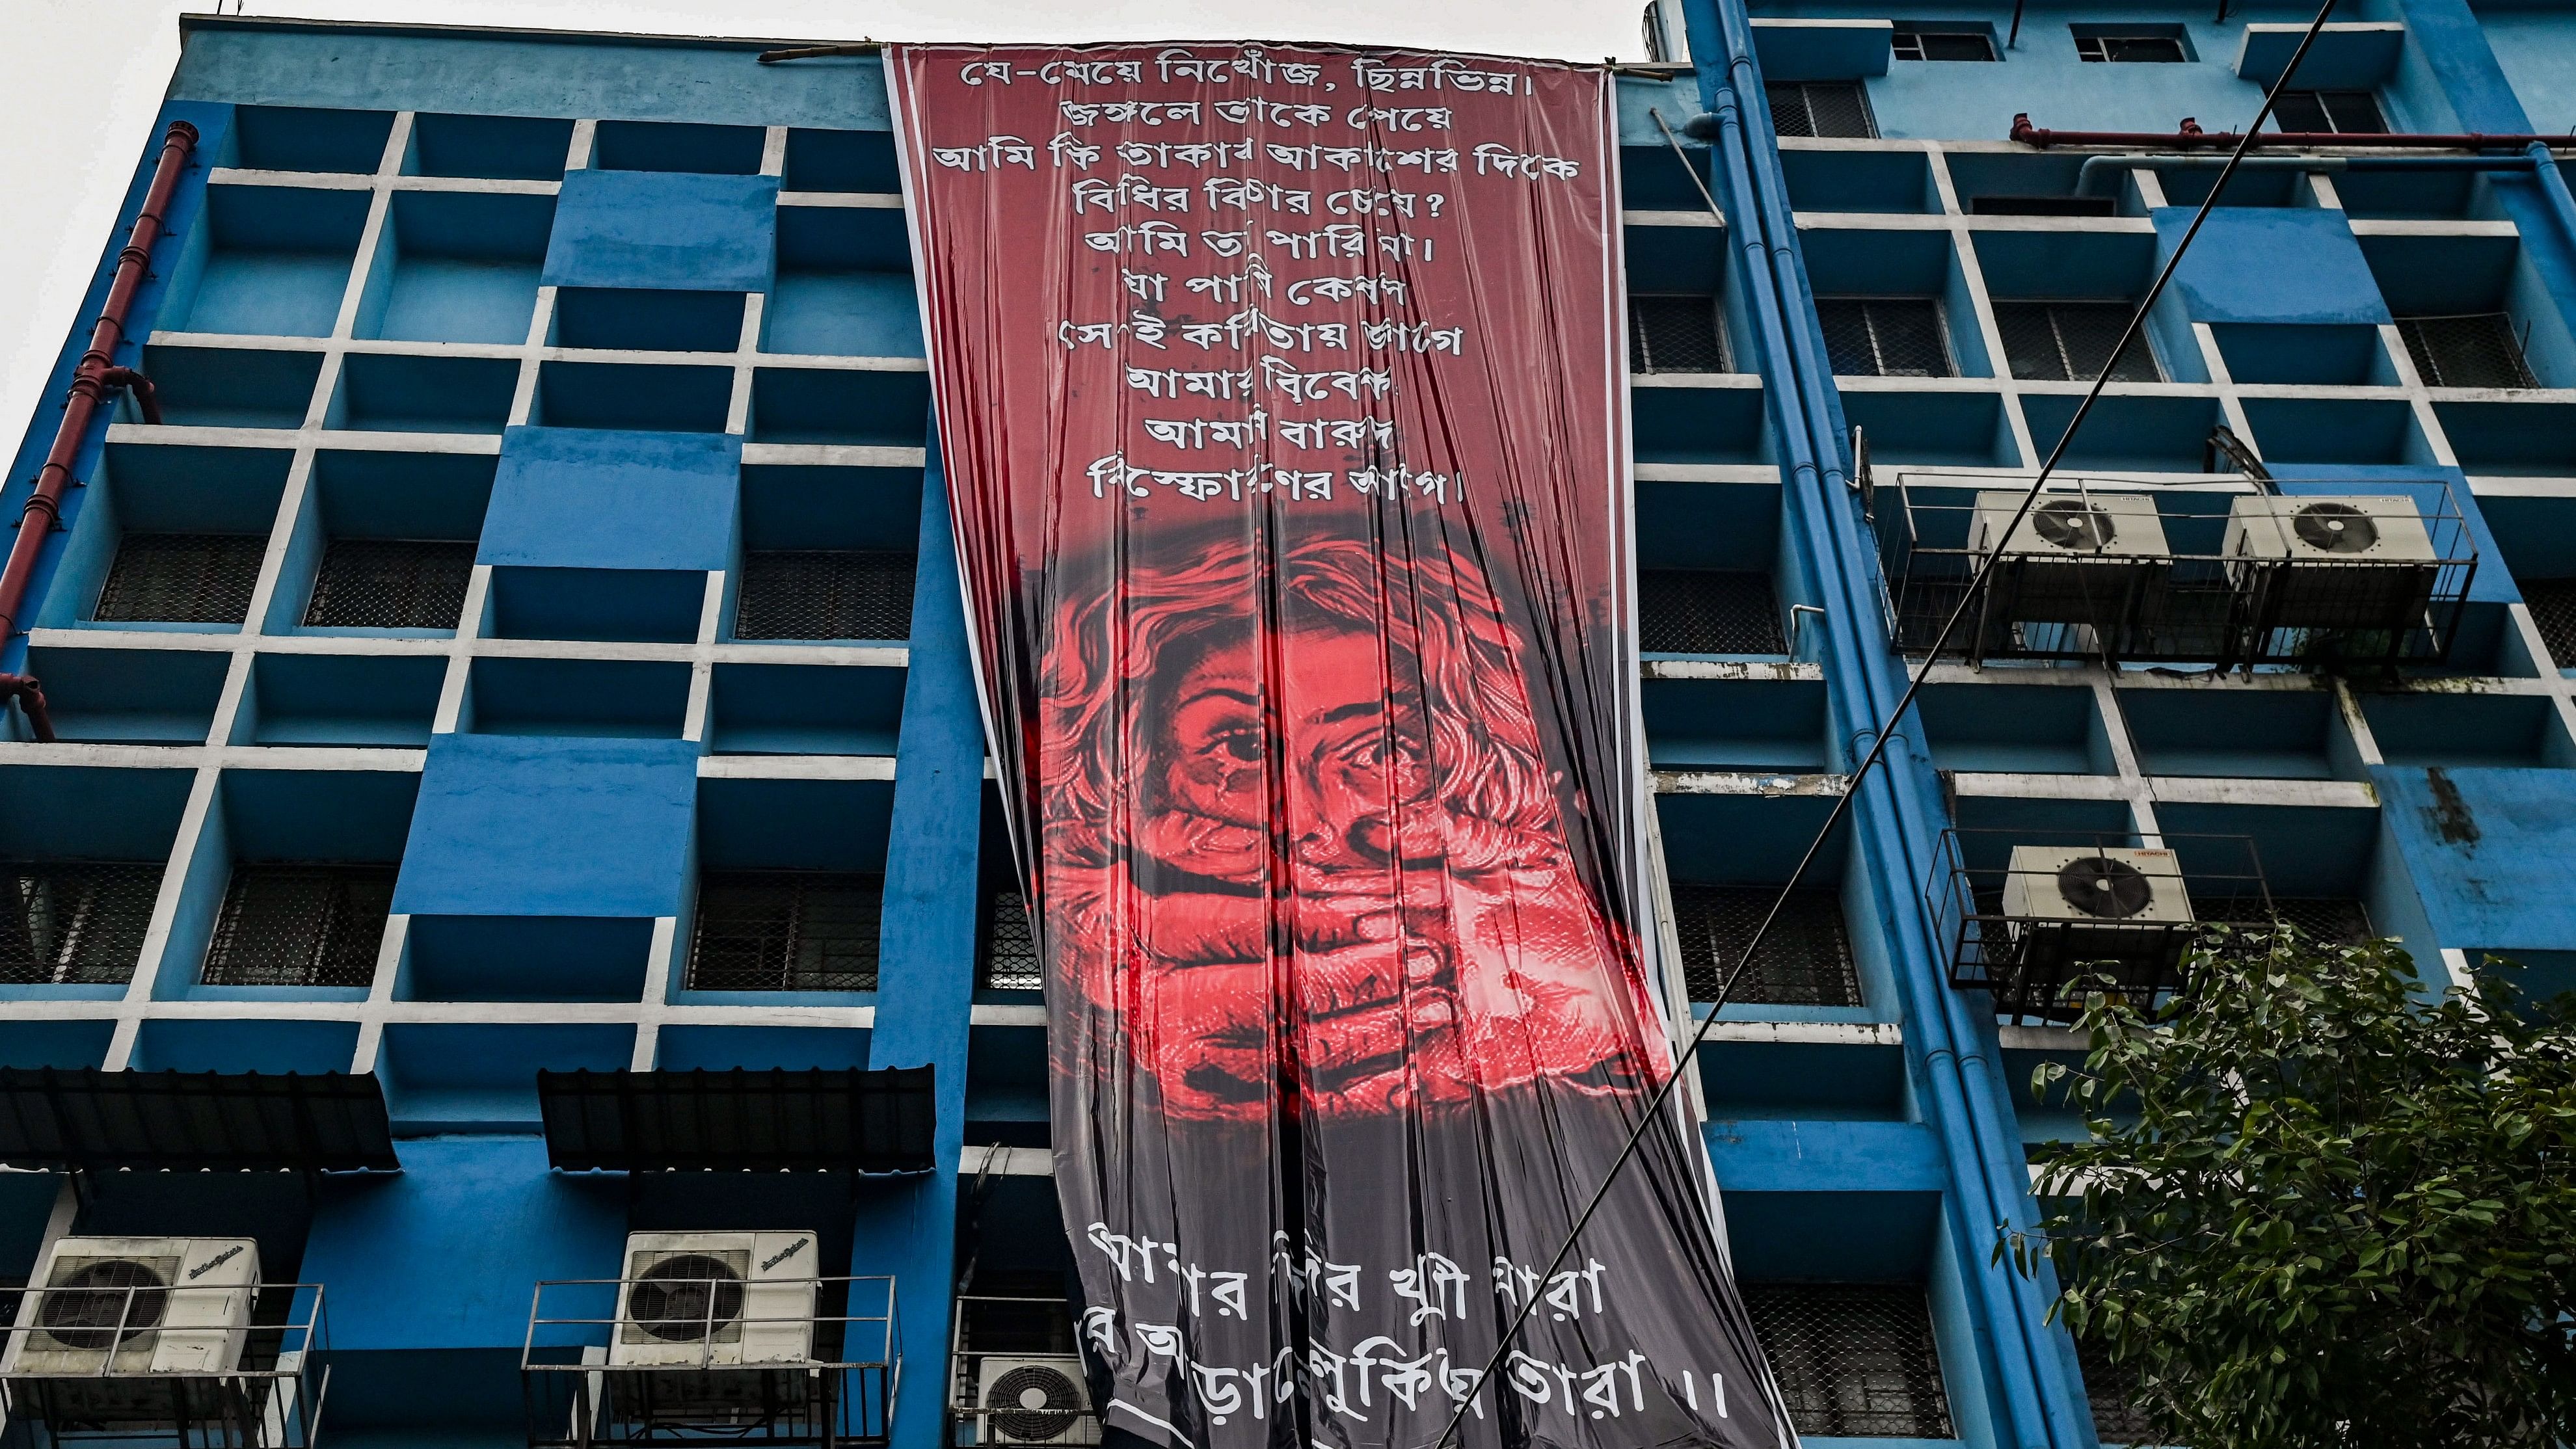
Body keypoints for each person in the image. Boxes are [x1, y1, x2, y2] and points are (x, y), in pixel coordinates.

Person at [1034, 526, 1670, 1121]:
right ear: (1138, 780)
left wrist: (1586, 1010)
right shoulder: (1118, 960)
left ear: (1471, 761)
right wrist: (1110, 1038)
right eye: (1242, 748)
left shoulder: (1539, 922)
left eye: (1380, 750)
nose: (1312, 821)